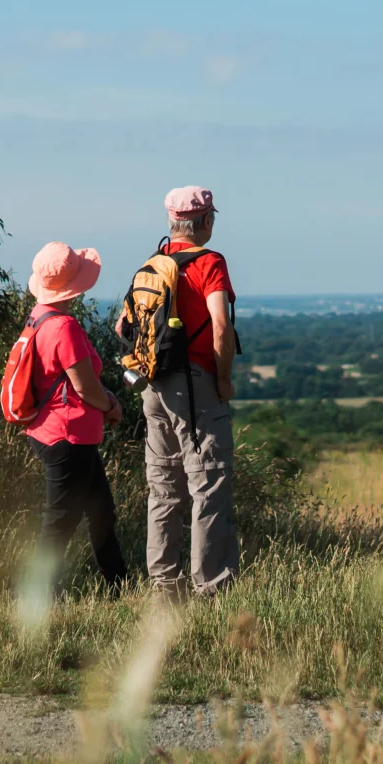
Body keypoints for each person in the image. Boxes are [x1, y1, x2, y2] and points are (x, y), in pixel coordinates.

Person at [134, 186, 239, 599]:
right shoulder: (211, 263)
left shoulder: (154, 263)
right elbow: (220, 325)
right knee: (209, 484)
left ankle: (164, 588)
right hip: (195, 386)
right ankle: (211, 590)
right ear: (206, 221)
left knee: (163, 487)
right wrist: (223, 378)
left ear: (171, 222)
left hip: (154, 383)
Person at [26, 240, 127, 594]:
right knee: (59, 524)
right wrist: (111, 405)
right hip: (68, 437)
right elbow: (85, 387)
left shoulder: (38, 317)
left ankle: (119, 588)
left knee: (101, 512)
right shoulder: (63, 327)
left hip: (55, 432)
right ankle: (40, 599)